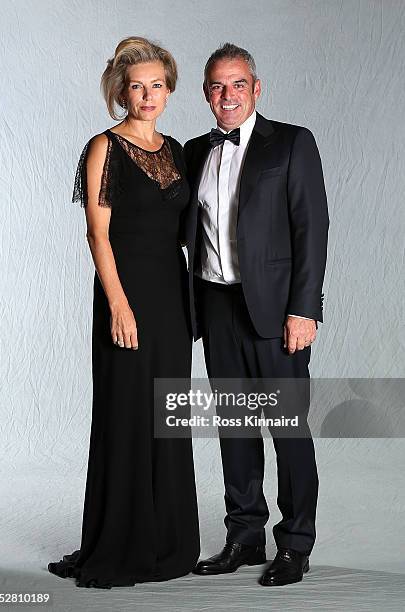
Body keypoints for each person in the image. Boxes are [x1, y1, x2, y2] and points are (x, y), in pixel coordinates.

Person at [47, 36, 200, 588]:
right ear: (121, 91)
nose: (147, 95)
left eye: (157, 84)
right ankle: (123, 542)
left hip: (171, 299)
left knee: (167, 415)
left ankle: (170, 541)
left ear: (169, 89)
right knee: (129, 413)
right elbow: (97, 232)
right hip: (126, 294)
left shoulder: (178, 150)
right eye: (137, 86)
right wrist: (118, 303)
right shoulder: (103, 147)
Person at [183, 43, 329, 587]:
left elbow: (311, 232)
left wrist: (303, 308)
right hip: (217, 306)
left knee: (287, 428)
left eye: (237, 84)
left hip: (277, 311)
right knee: (235, 429)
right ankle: (244, 536)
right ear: (206, 94)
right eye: (217, 86)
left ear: (256, 88)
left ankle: (294, 543)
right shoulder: (195, 150)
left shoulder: (291, 143)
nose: (227, 95)